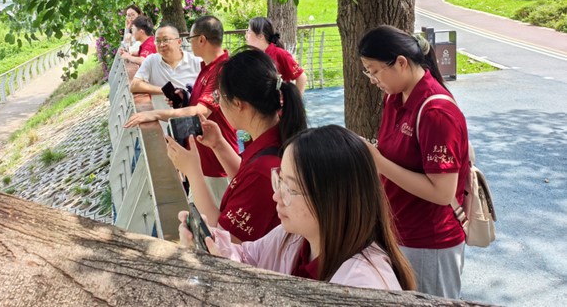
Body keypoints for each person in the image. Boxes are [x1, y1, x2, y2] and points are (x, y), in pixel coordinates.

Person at [178, 125, 416, 291]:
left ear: (331, 200)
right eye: (279, 180)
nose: (276, 196)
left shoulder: (365, 285)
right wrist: (213, 244)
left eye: (290, 188)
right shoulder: (292, 237)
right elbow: (248, 257)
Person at [358, 25, 470, 299]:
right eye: (367, 72)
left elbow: (442, 192)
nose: (372, 80)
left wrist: (378, 161)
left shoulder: (436, 112)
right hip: (399, 231)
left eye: (374, 71)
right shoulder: (394, 97)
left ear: (401, 63)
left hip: (430, 241)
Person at [166, 49, 306, 242]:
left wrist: (192, 172)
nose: (219, 104)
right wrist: (218, 144)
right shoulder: (277, 137)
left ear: (239, 104)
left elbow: (224, 239)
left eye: (219, 98)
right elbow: (246, 181)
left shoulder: (264, 169)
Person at [124, 15, 239, 205]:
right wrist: (183, 98)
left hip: (217, 164)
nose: (189, 44)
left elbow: (200, 112)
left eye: (190, 39)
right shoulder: (206, 67)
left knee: (220, 216)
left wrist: (154, 113)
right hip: (204, 159)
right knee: (204, 213)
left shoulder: (221, 71)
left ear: (201, 40)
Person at [130, 23, 201, 95]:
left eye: (165, 40)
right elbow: (134, 85)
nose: (161, 45)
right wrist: (167, 91)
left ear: (179, 42)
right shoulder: (151, 60)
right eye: (158, 41)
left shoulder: (196, 62)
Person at [245, 17, 307, 94]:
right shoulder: (251, 56)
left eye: (249, 31)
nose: (246, 35)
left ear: (260, 36)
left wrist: (295, 100)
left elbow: (301, 77)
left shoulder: (280, 54)